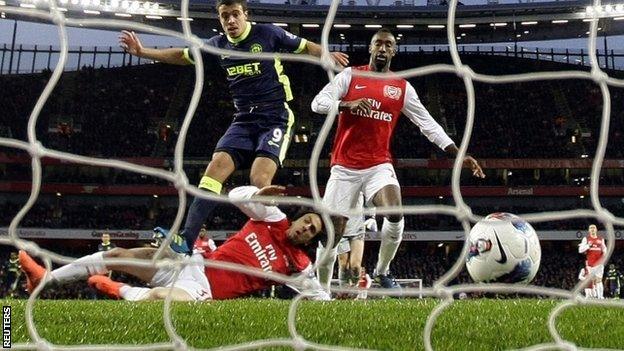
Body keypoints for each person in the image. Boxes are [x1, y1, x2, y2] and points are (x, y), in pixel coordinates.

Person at [119, 0, 349, 255]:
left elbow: (305, 46)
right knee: (213, 170)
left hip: (276, 117)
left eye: (235, 14)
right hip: (243, 121)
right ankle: (186, 239)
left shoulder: (268, 33)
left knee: (259, 180)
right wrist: (143, 52)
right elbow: (183, 56)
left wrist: (326, 54)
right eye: (224, 16)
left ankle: (285, 239)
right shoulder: (218, 46)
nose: (230, 20)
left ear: (245, 15)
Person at [310, 28, 485, 289]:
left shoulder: (402, 87)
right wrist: (346, 105)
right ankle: (321, 291)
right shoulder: (350, 76)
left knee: (394, 211)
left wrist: (460, 155)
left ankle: (382, 270)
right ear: (370, 48)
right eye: (377, 43)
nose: (382, 48)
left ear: (394, 50)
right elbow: (317, 103)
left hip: (378, 164)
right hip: (344, 168)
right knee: (331, 235)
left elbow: (428, 125)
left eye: (387, 45)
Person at [19, 185, 336, 301]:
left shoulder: (299, 264)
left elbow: (318, 296)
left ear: (311, 240)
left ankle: (119, 290)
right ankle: (44, 278)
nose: (306, 229)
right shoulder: (273, 218)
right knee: (117, 253)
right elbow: (235, 196)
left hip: (206, 290)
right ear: (298, 218)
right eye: (307, 221)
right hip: (191, 264)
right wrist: (257, 194)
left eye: (312, 231)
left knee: (161, 298)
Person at [578, 224, 607, 299]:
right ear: (589, 230)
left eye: (594, 227)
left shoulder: (601, 239)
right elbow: (580, 250)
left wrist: (604, 255)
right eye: (590, 228)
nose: (592, 229)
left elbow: (604, 249)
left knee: (599, 279)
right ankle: (593, 296)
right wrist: (588, 246)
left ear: (596, 230)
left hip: (599, 263)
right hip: (590, 264)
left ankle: (600, 297)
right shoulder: (586, 239)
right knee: (592, 280)